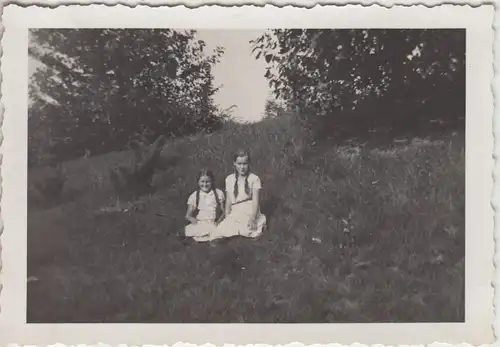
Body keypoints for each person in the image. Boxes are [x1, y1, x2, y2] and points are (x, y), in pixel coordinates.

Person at [210, 149, 267, 241]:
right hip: (235, 210)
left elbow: (256, 201)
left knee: (248, 229)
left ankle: (260, 223)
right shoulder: (229, 179)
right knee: (219, 232)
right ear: (234, 163)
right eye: (239, 164)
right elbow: (229, 200)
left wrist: (253, 217)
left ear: (249, 164)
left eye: (245, 164)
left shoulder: (254, 179)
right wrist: (227, 216)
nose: (242, 167)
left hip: (249, 208)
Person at [184, 168, 225, 242]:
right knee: (191, 229)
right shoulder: (194, 196)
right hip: (201, 222)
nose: (205, 184)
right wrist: (192, 219)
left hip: (213, 221)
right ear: (198, 182)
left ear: (212, 182)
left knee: (220, 229)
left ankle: (210, 237)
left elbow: (224, 212)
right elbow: (187, 215)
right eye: (202, 182)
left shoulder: (218, 193)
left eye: (207, 182)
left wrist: (218, 222)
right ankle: (207, 236)